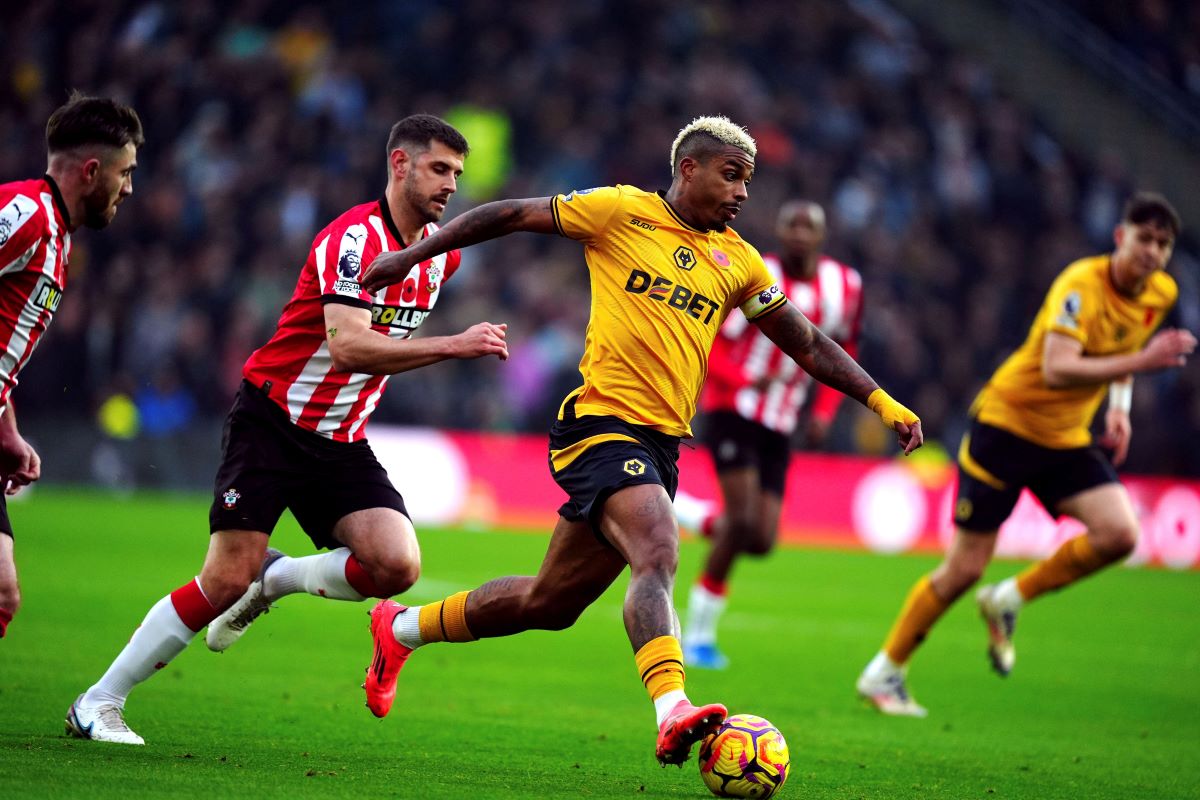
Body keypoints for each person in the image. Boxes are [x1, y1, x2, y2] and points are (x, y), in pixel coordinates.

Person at [356, 115, 923, 766]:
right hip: (598, 423)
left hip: (661, 445)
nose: (743, 193)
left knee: (550, 601)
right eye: (731, 176)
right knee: (657, 548)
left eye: (749, 181)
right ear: (689, 169)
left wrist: (879, 400)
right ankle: (672, 708)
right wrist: (409, 254)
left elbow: (808, 342)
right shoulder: (621, 211)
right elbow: (511, 213)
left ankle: (400, 628)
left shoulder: (738, 260)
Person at [67, 114, 509, 745]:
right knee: (222, 581)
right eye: (439, 169)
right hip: (273, 423)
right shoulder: (352, 240)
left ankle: (276, 579)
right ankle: (98, 701)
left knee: (396, 565)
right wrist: (454, 345)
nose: (450, 185)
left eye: (457, 174)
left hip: (340, 438)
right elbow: (350, 348)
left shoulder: (444, 257)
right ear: (400, 164)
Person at [856, 192, 1196, 717]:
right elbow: (1061, 367)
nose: (1152, 252)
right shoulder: (1081, 285)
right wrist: (1141, 362)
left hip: (1064, 439)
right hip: (1007, 428)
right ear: (1120, 237)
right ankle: (884, 672)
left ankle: (1009, 598)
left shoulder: (1159, 292)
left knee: (1120, 534)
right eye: (1144, 239)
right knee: (964, 569)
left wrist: (1121, 407)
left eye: (1163, 244)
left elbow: (1127, 347)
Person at [680, 200, 863, 670]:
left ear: (823, 235)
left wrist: (823, 411)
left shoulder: (845, 286)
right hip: (734, 410)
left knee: (761, 538)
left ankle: (693, 515)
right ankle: (697, 636)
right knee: (740, 522)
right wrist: (742, 382)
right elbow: (712, 341)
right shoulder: (754, 275)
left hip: (781, 421)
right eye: (791, 225)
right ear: (779, 231)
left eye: (809, 226)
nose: (800, 233)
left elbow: (843, 346)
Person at [0, 93, 143, 640]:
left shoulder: (58, 238)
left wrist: (7, 430)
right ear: (91, 171)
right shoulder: (28, 213)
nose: (129, 188)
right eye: (125, 173)